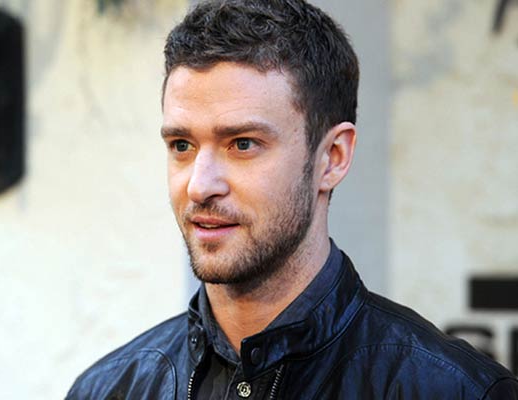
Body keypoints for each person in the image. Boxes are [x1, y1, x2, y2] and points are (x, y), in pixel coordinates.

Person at [66, 1, 518, 398]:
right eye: (182, 145)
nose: (200, 186)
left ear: (332, 158)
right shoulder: (108, 389)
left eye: (242, 144)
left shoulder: (455, 389)